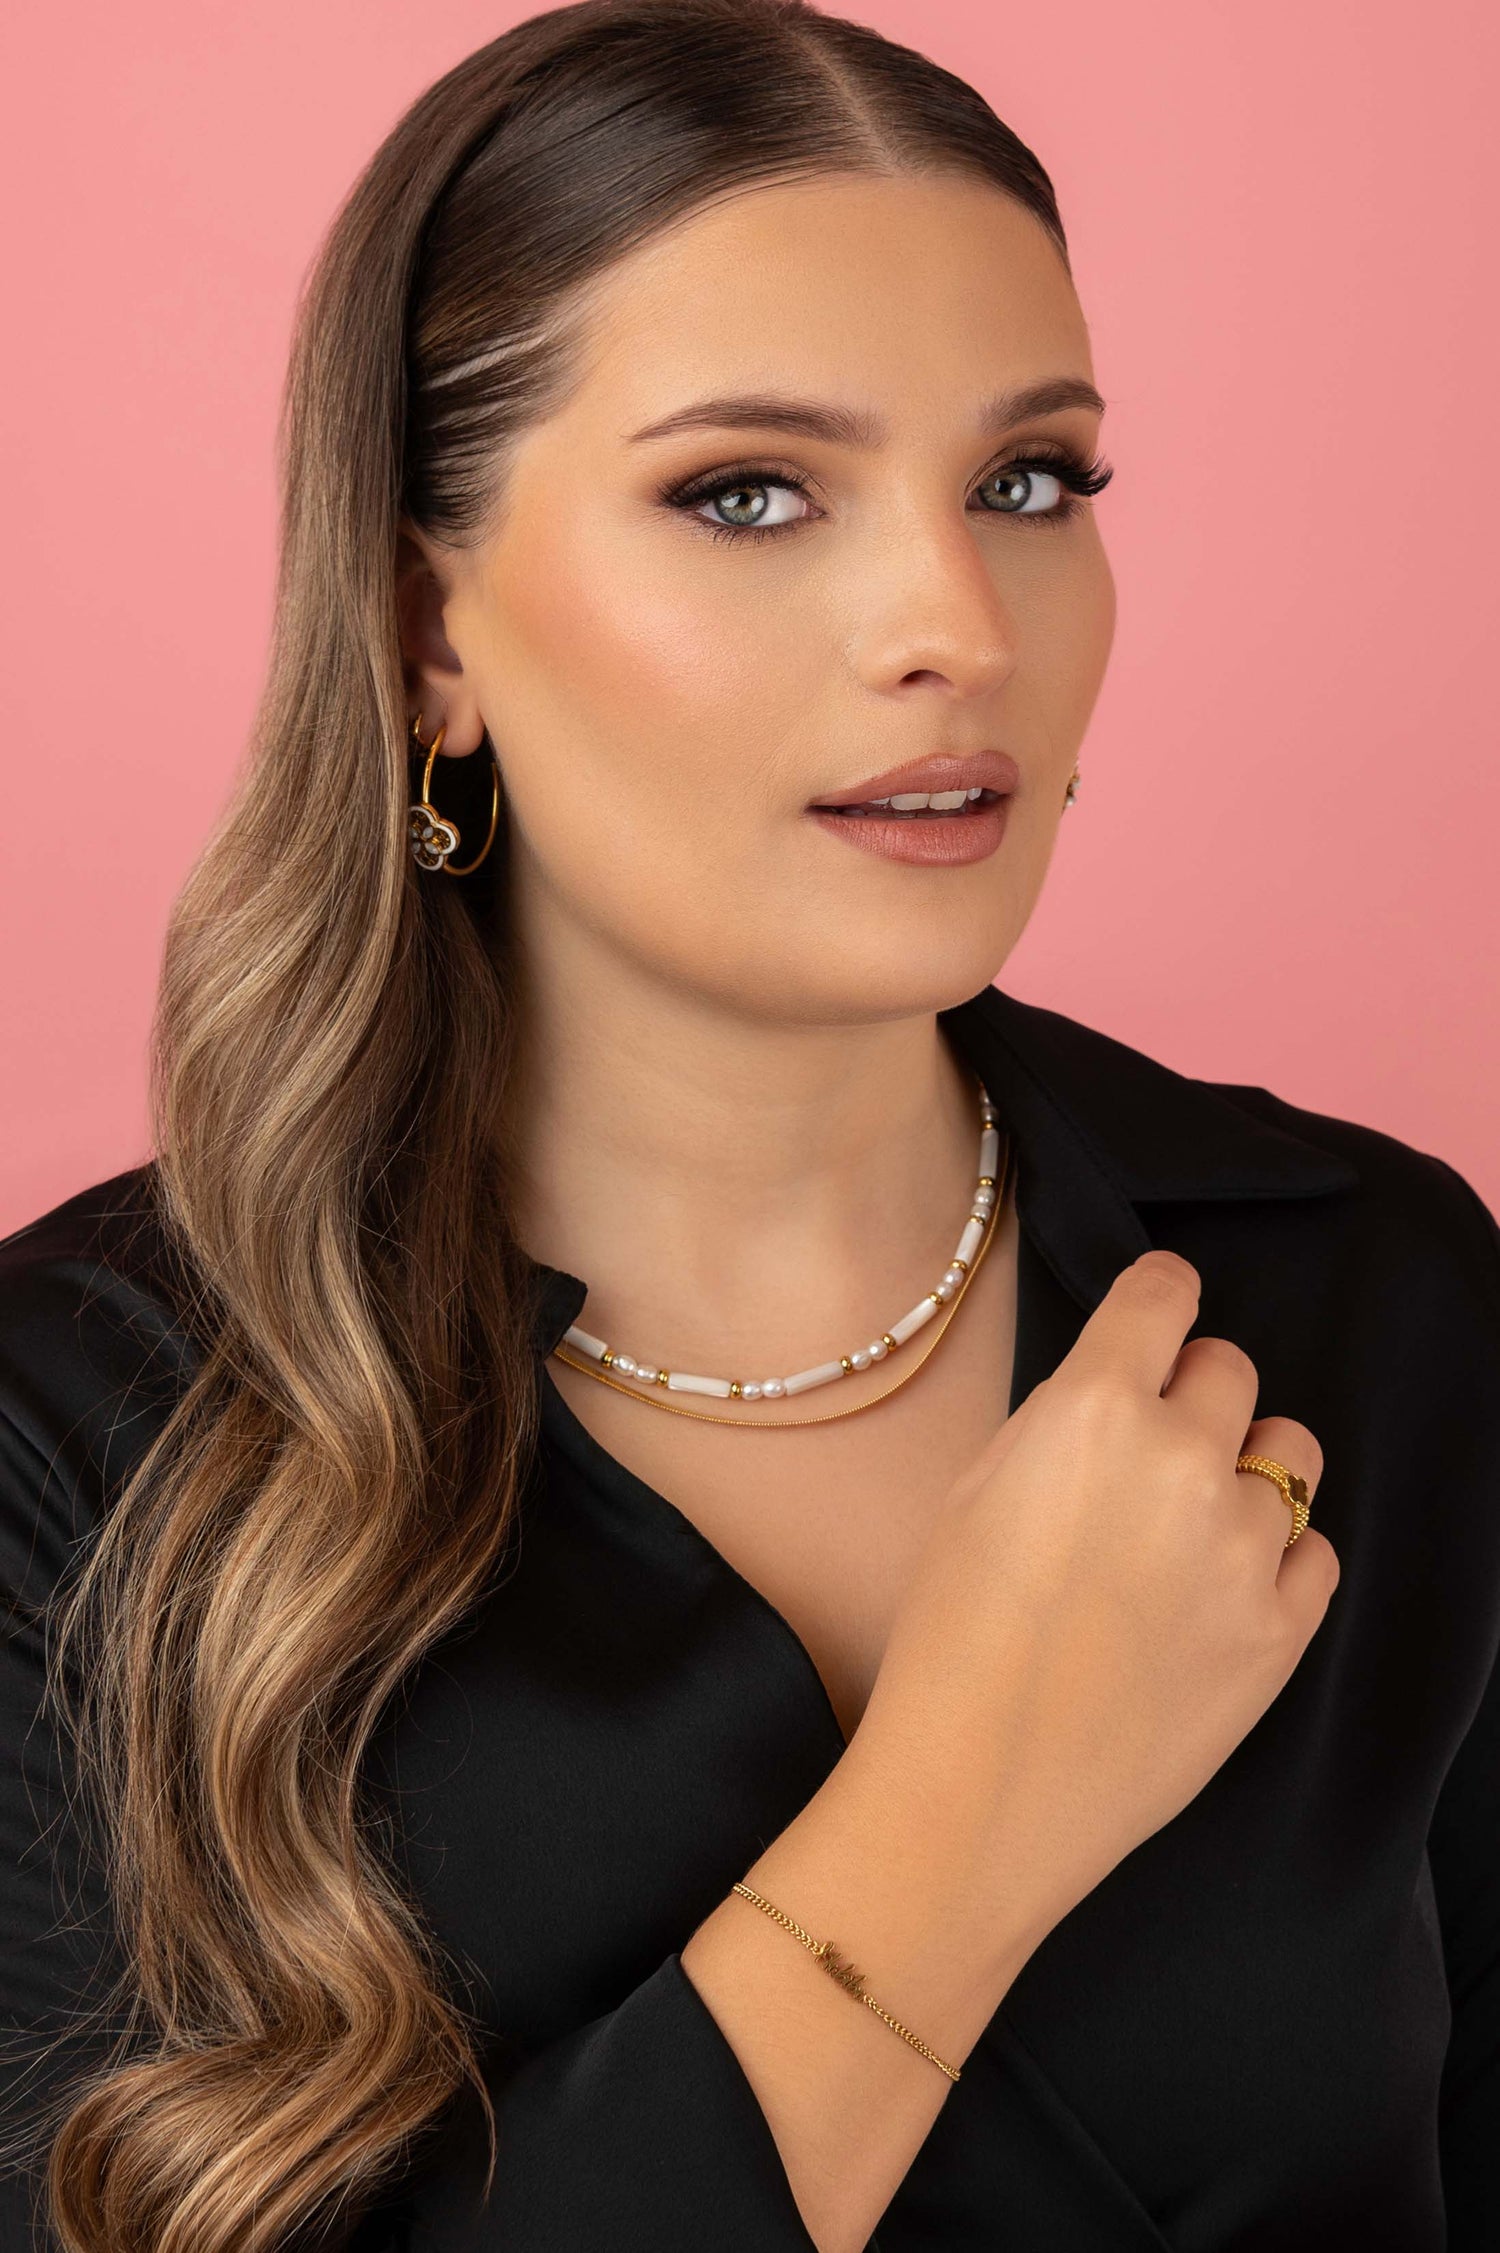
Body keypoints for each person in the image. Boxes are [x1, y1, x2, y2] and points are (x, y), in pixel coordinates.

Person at [2, 1, 1497, 2247]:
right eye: (748, 492)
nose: (954, 624)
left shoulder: (1380, 1296)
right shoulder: (76, 1443)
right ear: (427, 628)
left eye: (1030, 481)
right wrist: (962, 1820)